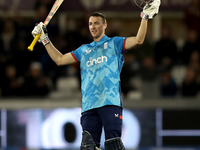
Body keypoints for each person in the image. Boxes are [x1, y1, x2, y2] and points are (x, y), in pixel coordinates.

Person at [31, 0, 160, 149]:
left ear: (105, 25)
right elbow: (59, 60)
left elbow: (138, 40)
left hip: (110, 103)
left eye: (97, 23)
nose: (93, 26)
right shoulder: (83, 50)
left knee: (114, 145)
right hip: (88, 106)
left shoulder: (115, 43)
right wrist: (45, 39)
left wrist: (144, 17)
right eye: (90, 23)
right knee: (88, 147)